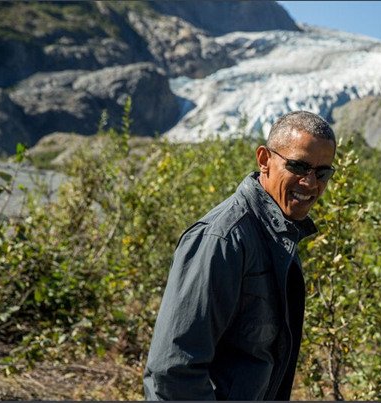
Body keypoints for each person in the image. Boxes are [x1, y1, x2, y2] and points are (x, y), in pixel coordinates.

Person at [143, 111, 337, 400]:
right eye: (298, 167)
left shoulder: (279, 231)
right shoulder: (222, 239)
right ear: (264, 160)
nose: (311, 183)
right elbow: (172, 372)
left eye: (323, 172)